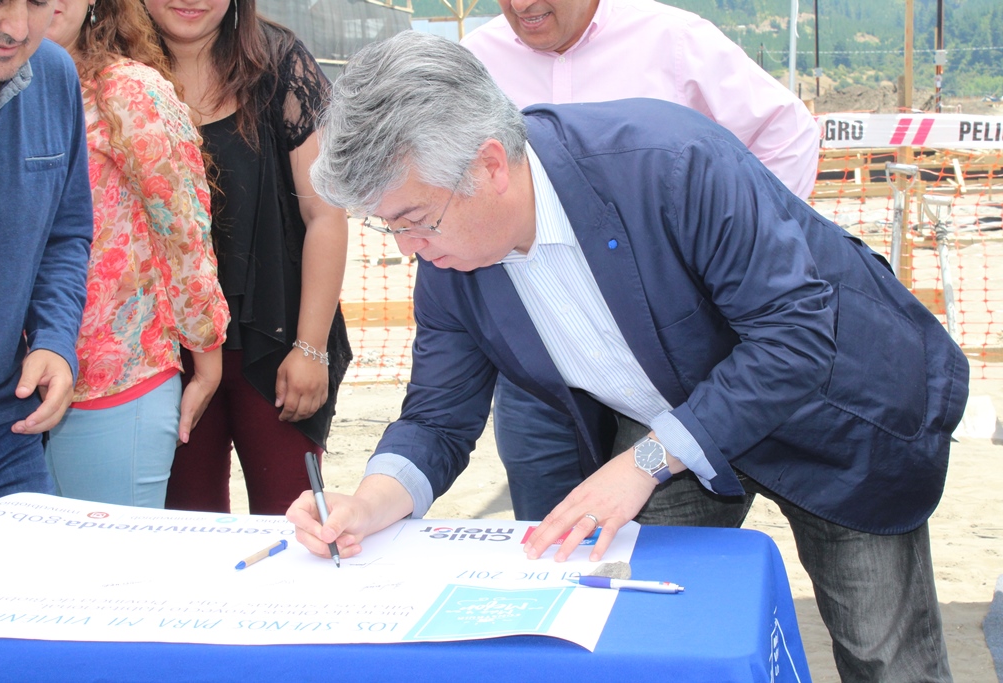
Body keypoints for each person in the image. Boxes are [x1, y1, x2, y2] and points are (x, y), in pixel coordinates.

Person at [288, 33, 968, 682]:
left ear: (490, 165)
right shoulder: (450, 262)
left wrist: (644, 461)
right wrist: (371, 502)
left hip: (837, 412)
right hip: (678, 424)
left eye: (415, 220)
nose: (408, 249)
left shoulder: (669, 163)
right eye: (390, 226)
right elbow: (437, 419)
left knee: (885, 658)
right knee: (640, 631)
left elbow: (795, 334)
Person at [462, 0, 823, 521]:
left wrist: (746, 252)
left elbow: (785, 131)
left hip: (666, 352)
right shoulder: (473, 62)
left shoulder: (674, 40)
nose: (522, 4)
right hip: (540, 359)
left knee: (661, 530)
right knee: (549, 524)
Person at [143, 0, 352, 515]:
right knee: (187, 523)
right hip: (162, 354)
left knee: (291, 519)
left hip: (275, 343)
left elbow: (325, 215)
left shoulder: (278, 63)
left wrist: (311, 348)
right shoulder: (115, 68)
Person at [42, 0, 230, 508]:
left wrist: (206, 357)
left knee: (106, 554)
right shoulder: (4, 93)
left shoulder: (128, 91)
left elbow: (183, 229)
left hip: (112, 377)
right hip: (4, 387)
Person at [0, 1, 93, 507]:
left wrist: (53, 338)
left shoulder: (54, 73)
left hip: (7, 432)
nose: (18, 28)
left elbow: (64, 235)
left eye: (37, 3)